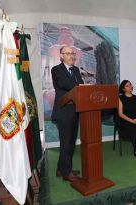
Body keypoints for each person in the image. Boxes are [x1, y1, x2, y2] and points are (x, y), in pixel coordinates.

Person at [51, 46, 84, 182]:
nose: (72, 56)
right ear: (61, 56)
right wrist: (77, 85)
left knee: (70, 142)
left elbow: (80, 84)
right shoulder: (56, 70)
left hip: (75, 110)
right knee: (66, 143)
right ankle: (66, 172)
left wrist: (79, 85)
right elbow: (64, 84)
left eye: (73, 53)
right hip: (63, 112)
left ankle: (61, 169)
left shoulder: (75, 70)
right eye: (68, 53)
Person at [118, 80, 136, 158]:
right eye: (127, 86)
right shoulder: (120, 98)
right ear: (123, 89)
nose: (130, 87)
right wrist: (132, 120)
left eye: (130, 85)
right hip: (125, 120)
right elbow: (120, 114)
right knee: (133, 127)